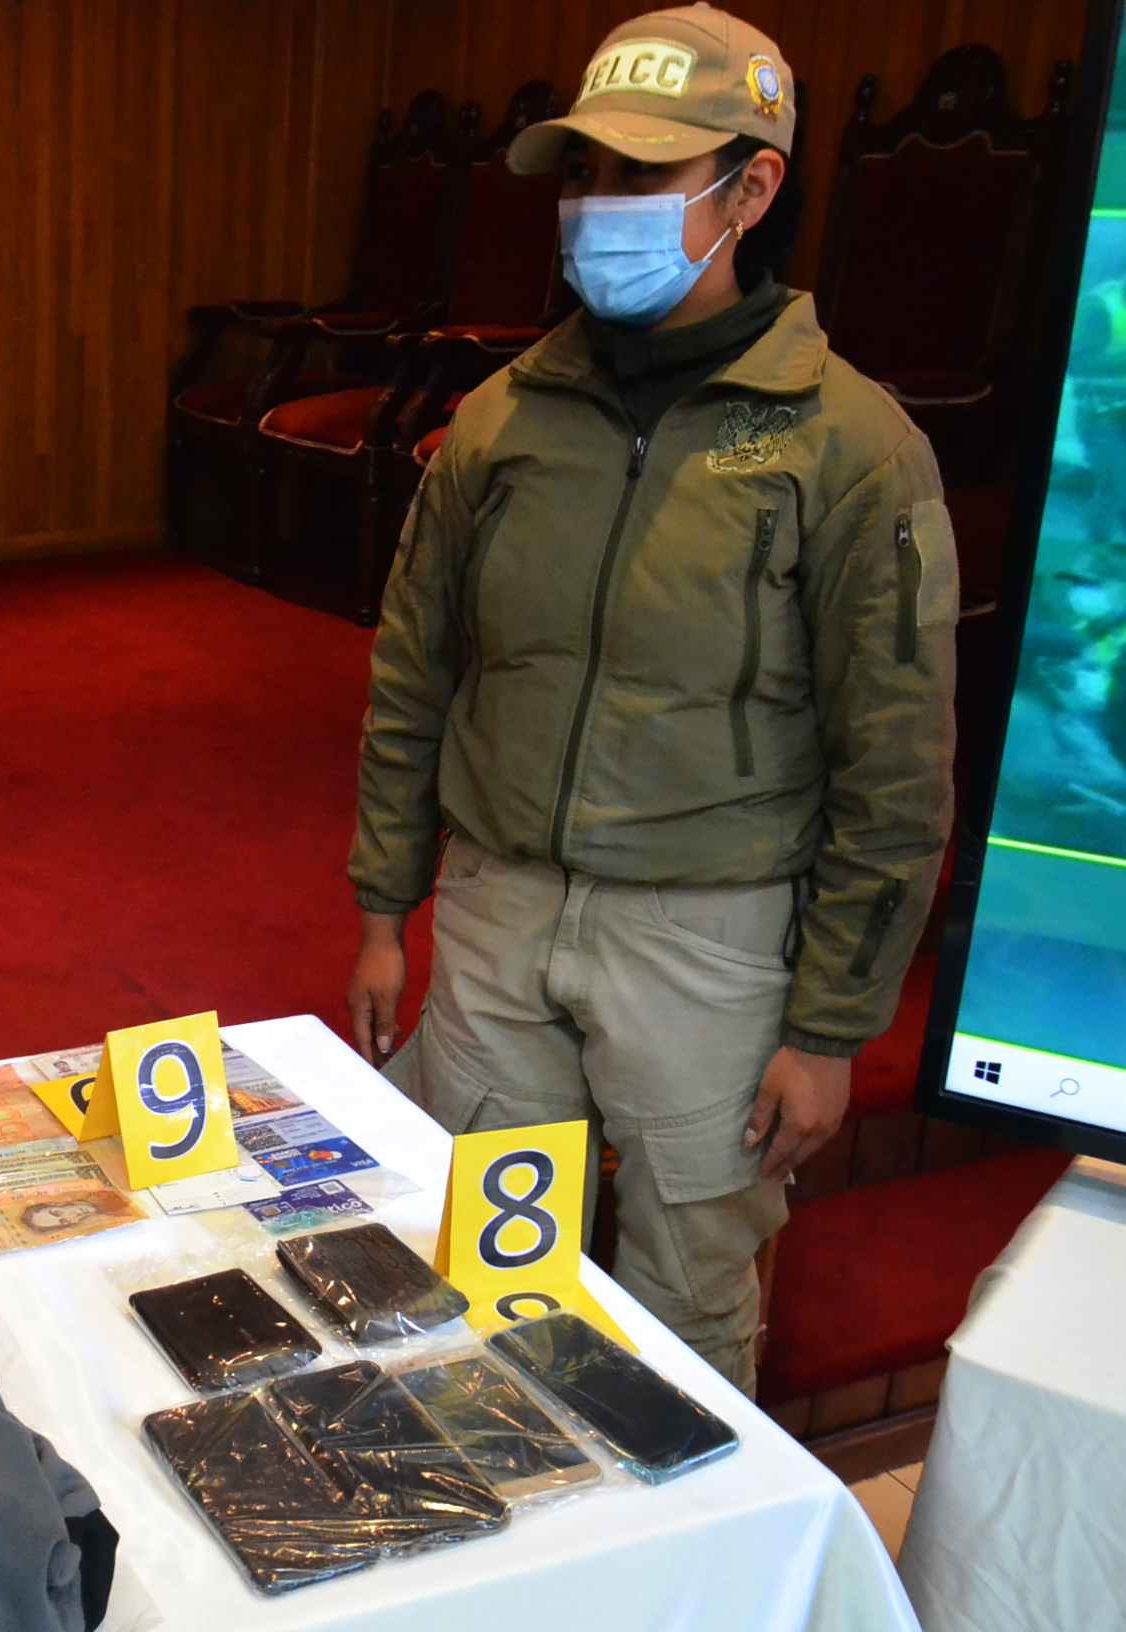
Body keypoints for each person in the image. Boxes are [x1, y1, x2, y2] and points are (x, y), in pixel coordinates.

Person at [343, 4, 957, 1393]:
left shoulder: (849, 446)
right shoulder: (500, 420)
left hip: (710, 937)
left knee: (686, 1299)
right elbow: (414, 673)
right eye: (583, 173)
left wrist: (829, 1028)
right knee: (479, 1269)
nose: (597, 205)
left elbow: (895, 765)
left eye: (641, 174)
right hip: (499, 906)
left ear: (751, 187)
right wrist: (386, 910)